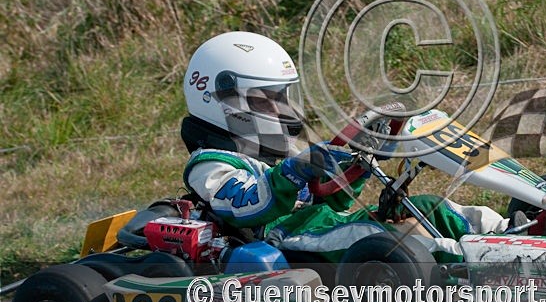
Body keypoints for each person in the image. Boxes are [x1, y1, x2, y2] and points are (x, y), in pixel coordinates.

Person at [180, 31, 525, 260]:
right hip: (284, 241)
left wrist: (358, 164)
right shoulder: (210, 163)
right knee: (373, 235)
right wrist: (292, 171)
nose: (283, 109)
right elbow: (243, 206)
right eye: (266, 100)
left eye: (283, 96)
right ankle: (477, 258)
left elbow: (332, 199)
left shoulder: (278, 152)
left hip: (323, 225)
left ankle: (514, 231)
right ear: (222, 101)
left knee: (429, 206)